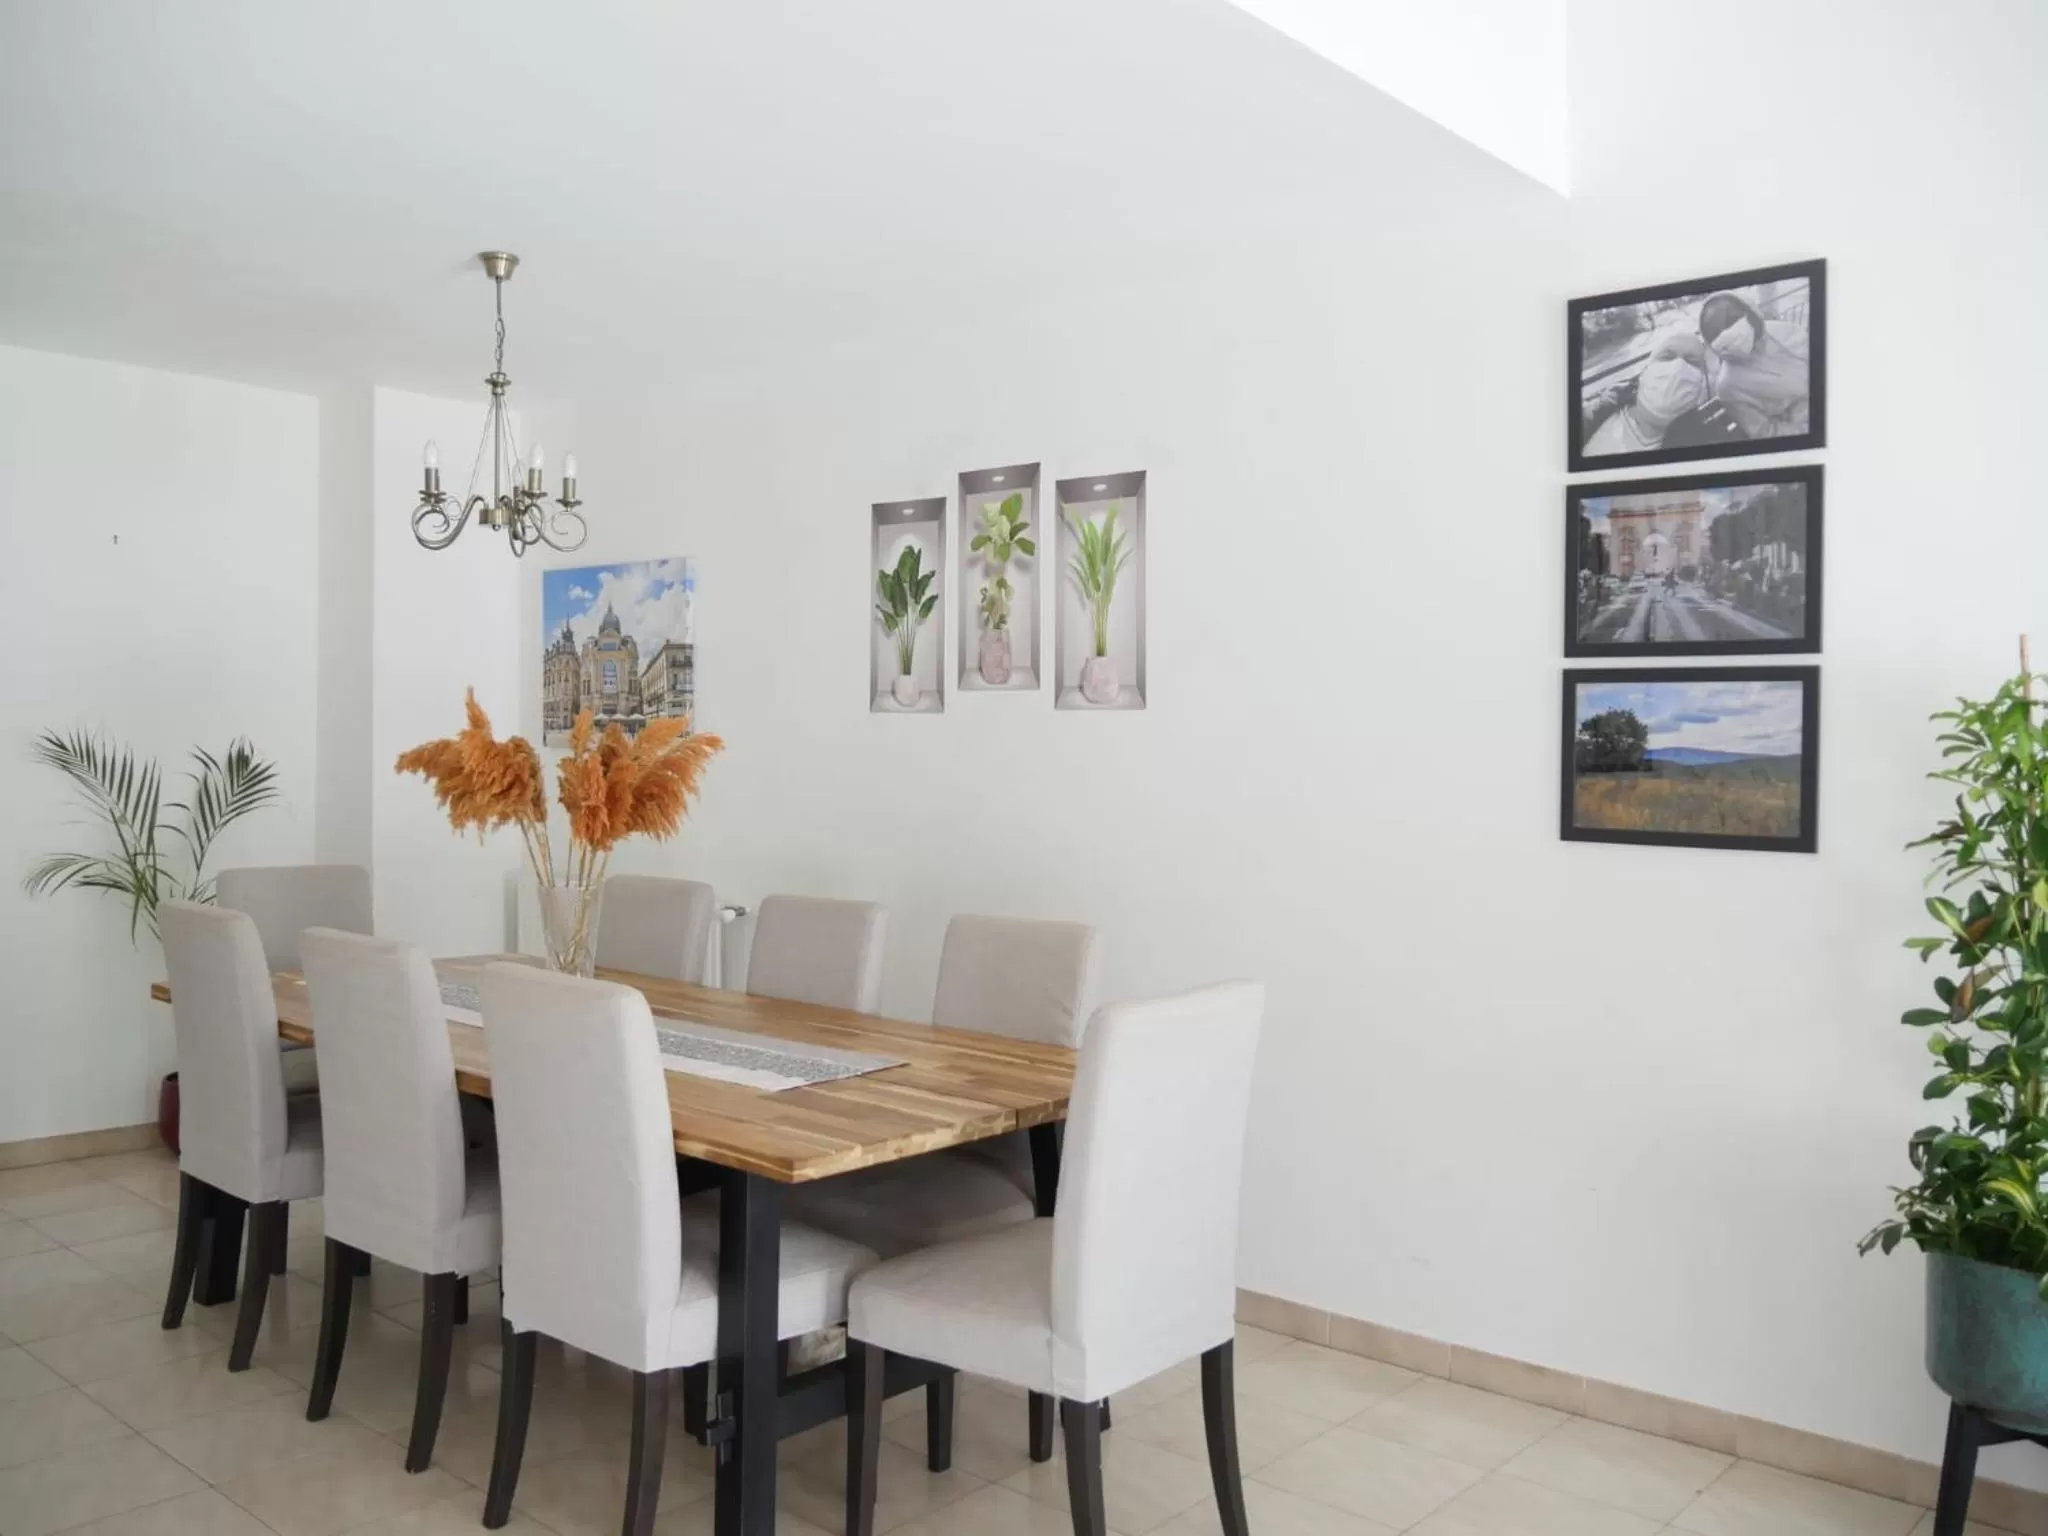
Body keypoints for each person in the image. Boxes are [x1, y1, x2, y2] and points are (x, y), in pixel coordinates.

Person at [1582, 331, 1746, 456]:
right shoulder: (1599, 411)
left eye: (1691, 361)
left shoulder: (1707, 443)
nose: (1678, 366)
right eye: (1667, 356)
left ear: (1703, 383)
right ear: (1646, 370)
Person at [1698, 291, 1810, 438]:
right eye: (1716, 333)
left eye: (1732, 320)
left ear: (1750, 313)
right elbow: (1765, 432)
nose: (1727, 333)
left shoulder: (1780, 330)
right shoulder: (1729, 386)